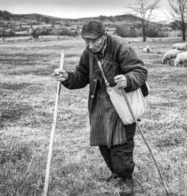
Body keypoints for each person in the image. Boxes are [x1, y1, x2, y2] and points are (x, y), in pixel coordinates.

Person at [53, 21, 147, 196]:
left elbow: (139, 71)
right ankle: (116, 172)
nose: (89, 45)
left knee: (121, 145)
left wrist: (128, 80)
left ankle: (126, 178)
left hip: (121, 105)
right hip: (100, 104)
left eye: (93, 41)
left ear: (103, 37)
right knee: (103, 144)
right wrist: (67, 77)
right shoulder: (88, 53)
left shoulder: (120, 46)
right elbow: (81, 77)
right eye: (86, 41)